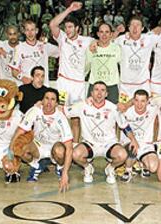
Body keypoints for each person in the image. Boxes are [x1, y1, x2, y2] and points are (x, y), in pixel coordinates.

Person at [65, 81, 139, 184]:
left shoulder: (113, 108)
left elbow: (125, 126)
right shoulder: (83, 106)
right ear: (91, 93)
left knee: (122, 154)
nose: (99, 93)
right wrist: (42, 105)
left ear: (106, 94)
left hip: (109, 144)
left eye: (102, 90)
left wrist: (133, 140)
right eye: (96, 90)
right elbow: (64, 110)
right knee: (75, 154)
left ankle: (110, 168)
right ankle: (88, 168)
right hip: (90, 144)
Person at [10, 89, 73, 192]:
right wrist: (10, 151)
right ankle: (36, 165)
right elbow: (20, 131)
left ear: (57, 103)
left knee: (61, 151)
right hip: (38, 146)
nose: (49, 102)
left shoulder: (61, 118)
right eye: (46, 98)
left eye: (52, 99)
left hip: (55, 147)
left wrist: (65, 173)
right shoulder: (34, 111)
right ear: (42, 100)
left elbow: (69, 148)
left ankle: (59, 167)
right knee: (19, 146)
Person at [50, 1, 95, 142]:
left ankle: (75, 146)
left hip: (79, 85)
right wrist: (69, 9)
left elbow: (102, 43)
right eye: (66, 27)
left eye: (70, 27)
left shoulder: (87, 41)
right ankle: (61, 146)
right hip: (63, 83)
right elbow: (53, 25)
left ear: (78, 29)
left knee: (76, 118)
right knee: (59, 115)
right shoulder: (62, 39)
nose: (67, 30)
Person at [120, 89, 159, 182]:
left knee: (153, 168)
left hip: (146, 144)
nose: (139, 104)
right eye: (136, 100)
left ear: (147, 101)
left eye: (143, 101)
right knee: (132, 149)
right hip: (130, 143)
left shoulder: (153, 109)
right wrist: (133, 140)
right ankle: (128, 170)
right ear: (133, 101)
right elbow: (124, 127)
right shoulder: (126, 112)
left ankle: (143, 164)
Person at [9, 19, 59, 87]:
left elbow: (62, 51)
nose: (30, 33)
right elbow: (14, 71)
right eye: (27, 30)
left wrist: (51, 39)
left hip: (43, 87)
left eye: (32, 30)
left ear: (37, 31)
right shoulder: (19, 48)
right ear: (24, 31)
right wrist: (22, 77)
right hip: (28, 87)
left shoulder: (44, 46)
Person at [85, 22, 121, 104]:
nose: (104, 35)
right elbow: (86, 66)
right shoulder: (91, 48)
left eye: (107, 32)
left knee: (113, 113)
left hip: (111, 86)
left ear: (111, 34)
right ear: (97, 34)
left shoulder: (117, 48)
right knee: (90, 112)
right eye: (101, 32)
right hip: (94, 85)